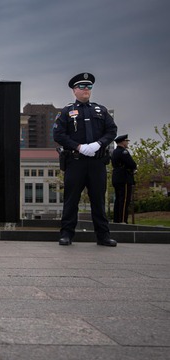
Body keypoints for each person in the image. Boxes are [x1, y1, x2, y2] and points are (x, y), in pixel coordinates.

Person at [53, 72, 118, 247]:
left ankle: (103, 236)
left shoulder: (100, 110)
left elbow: (112, 131)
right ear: (74, 90)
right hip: (75, 161)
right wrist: (78, 146)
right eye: (82, 87)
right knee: (71, 199)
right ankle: (66, 234)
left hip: (97, 161)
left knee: (98, 200)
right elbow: (58, 134)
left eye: (89, 87)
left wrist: (99, 144)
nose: (86, 90)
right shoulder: (66, 112)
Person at [111, 134, 137, 224]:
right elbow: (132, 164)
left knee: (118, 200)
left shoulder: (114, 152)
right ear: (122, 142)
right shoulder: (123, 152)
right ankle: (122, 220)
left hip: (116, 177)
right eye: (126, 141)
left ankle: (116, 219)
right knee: (125, 200)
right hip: (124, 178)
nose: (127, 143)